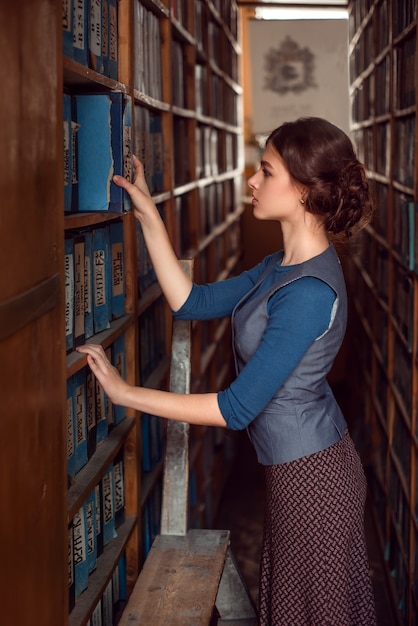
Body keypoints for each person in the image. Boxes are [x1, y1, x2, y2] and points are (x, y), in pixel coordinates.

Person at [77, 117, 376, 625]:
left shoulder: (307, 293)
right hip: (295, 473)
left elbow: (237, 408)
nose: (252, 183)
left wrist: (126, 394)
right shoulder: (281, 266)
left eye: (266, 171)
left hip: (315, 482)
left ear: (304, 189)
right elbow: (190, 302)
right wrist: (148, 212)